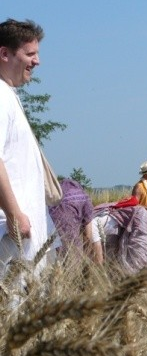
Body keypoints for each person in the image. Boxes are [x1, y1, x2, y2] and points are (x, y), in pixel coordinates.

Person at [0, 19, 53, 278]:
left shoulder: (9, 95)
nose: (37, 61)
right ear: (5, 53)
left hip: (22, 232)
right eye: (30, 53)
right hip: (11, 233)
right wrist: (14, 214)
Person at [48, 178, 95, 261]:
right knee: (72, 271)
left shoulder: (51, 196)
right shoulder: (84, 197)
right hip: (72, 246)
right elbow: (88, 235)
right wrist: (88, 258)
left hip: (48, 245)